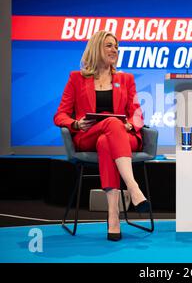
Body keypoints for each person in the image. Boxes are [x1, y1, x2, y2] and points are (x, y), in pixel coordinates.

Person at [54, 30, 150, 241]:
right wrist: (76, 123)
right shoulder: (76, 79)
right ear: (96, 48)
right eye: (109, 45)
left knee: (107, 139)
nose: (114, 50)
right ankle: (133, 187)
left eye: (116, 46)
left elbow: (136, 112)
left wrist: (129, 125)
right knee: (109, 125)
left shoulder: (126, 78)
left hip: (122, 137)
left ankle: (113, 217)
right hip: (87, 135)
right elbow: (60, 114)